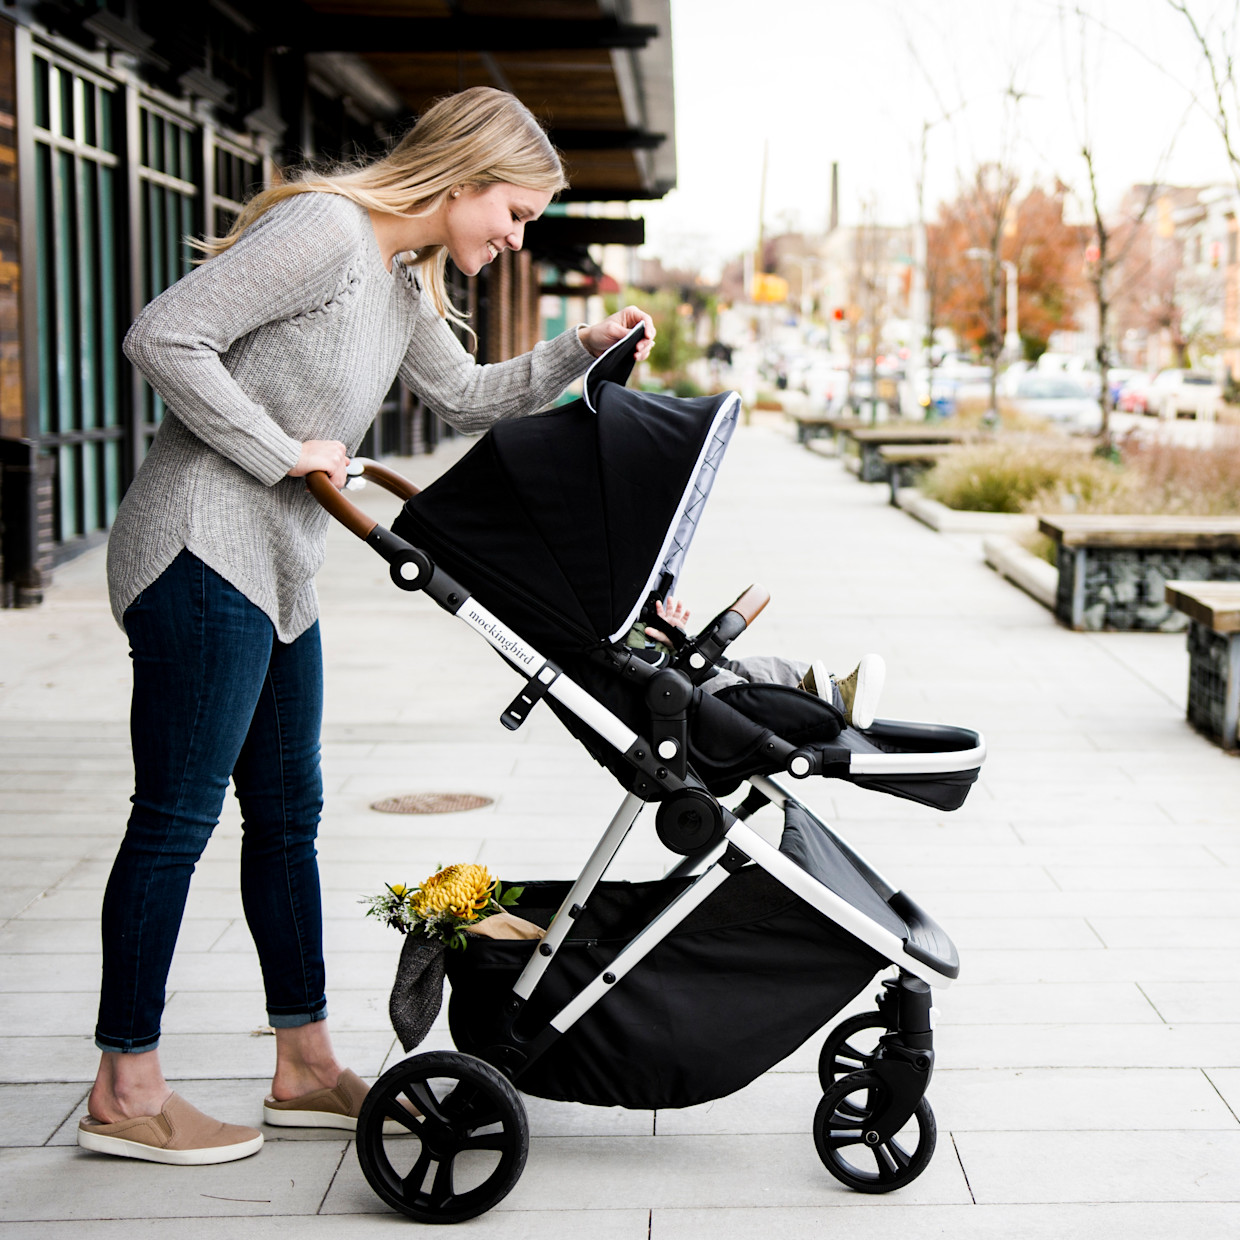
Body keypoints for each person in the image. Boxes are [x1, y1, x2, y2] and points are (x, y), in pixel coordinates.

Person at [80, 86, 655, 1167]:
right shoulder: (328, 231)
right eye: (516, 214)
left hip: (279, 569)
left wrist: (584, 344)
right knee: (176, 817)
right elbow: (164, 334)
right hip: (201, 547)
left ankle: (302, 1063)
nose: (516, 235)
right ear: (464, 180)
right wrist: (279, 446)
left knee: (288, 814)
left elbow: (469, 397)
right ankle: (125, 1088)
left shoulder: (398, 279)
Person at [637, 598, 887, 730]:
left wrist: (676, 640)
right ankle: (813, 703)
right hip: (681, 702)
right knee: (732, 688)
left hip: (672, 670)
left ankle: (831, 693)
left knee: (757, 667)